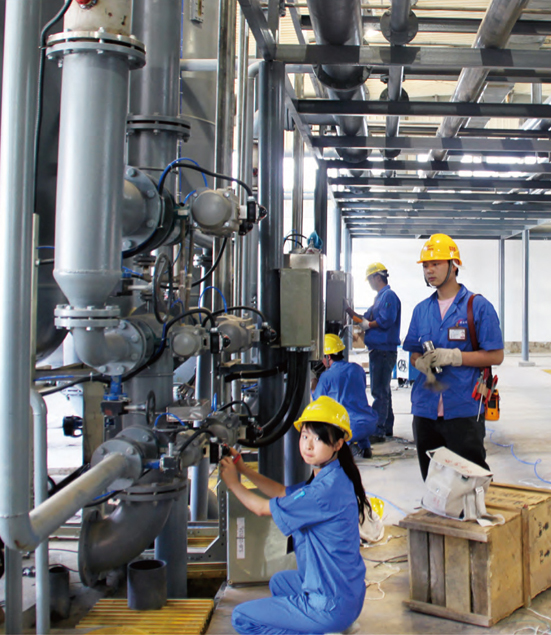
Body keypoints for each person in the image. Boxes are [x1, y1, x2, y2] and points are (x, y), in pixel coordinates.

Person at [220, 396, 368, 635]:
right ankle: (335, 625)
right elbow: (282, 492)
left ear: (338, 444)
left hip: (330, 606)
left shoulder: (322, 492)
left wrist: (233, 484)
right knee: (280, 582)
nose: (308, 445)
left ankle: (322, 629)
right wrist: (243, 469)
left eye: (318, 439)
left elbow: (261, 508)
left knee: (242, 618)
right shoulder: (333, 476)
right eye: (305, 436)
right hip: (348, 596)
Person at [402, 234, 504, 481]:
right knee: (433, 481)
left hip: (463, 407)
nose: (429, 270)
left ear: (454, 265)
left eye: (436, 263)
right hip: (425, 410)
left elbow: (496, 355)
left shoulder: (477, 306)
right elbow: (414, 351)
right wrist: (419, 362)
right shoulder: (421, 310)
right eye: (426, 265)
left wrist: (455, 357)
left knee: (469, 480)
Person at [312, 333, 377, 459]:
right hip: (369, 423)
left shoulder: (326, 376)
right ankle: (365, 447)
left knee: (327, 421)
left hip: (350, 427)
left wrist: (313, 386)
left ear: (328, 356)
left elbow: (317, 401)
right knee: (353, 410)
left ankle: (347, 447)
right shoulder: (358, 369)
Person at [361, 262, 401, 442]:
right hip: (379, 350)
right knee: (384, 391)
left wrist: (369, 325)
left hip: (383, 350)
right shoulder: (379, 298)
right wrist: (352, 314)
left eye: (370, 279)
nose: (370, 283)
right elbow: (367, 315)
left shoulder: (388, 296)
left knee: (379, 392)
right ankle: (387, 427)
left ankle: (378, 431)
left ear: (377, 277)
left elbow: (386, 320)